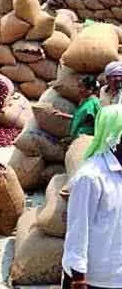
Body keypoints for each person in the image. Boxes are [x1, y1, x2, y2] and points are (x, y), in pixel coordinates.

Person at [61, 105, 122, 289]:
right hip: (95, 280)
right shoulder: (91, 177)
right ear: (116, 138)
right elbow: (78, 230)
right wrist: (78, 279)